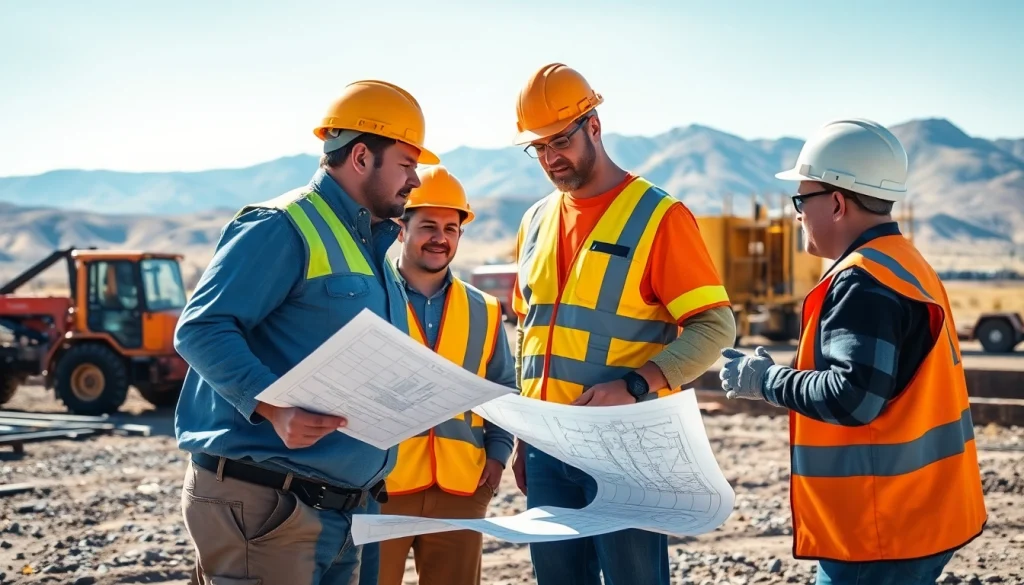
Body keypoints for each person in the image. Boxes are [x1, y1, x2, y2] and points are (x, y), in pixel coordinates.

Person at [173, 79, 440, 585]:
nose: (416, 180)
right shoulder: (281, 225)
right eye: (407, 164)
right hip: (270, 509)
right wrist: (273, 406)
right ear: (362, 156)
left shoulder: (373, 247)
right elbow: (202, 328)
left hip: (342, 512)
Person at [718, 119, 988, 585]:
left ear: (838, 202)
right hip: (927, 512)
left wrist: (764, 381)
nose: (797, 213)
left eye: (802, 200)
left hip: (879, 529)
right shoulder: (907, 262)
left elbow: (854, 395)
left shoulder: (862, 282)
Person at [507, 62, 737, 585]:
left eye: (559, 140)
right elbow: (530, 332)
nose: (549, 158)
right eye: (537, 147)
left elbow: (714, 326)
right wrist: (526, 439)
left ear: (594, 125)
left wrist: (637, 383)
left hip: (625, 448)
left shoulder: (659, 217)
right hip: (547, 447)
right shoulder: (535, 221)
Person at [376, 165, 516, 585]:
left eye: (451, 228)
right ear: (402, 229)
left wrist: (498, 453)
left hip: (462, 486)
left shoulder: (486, 310)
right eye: (428, 226)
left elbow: (503, 389)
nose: (440, 237)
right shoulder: (368, 296)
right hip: (382, 484)